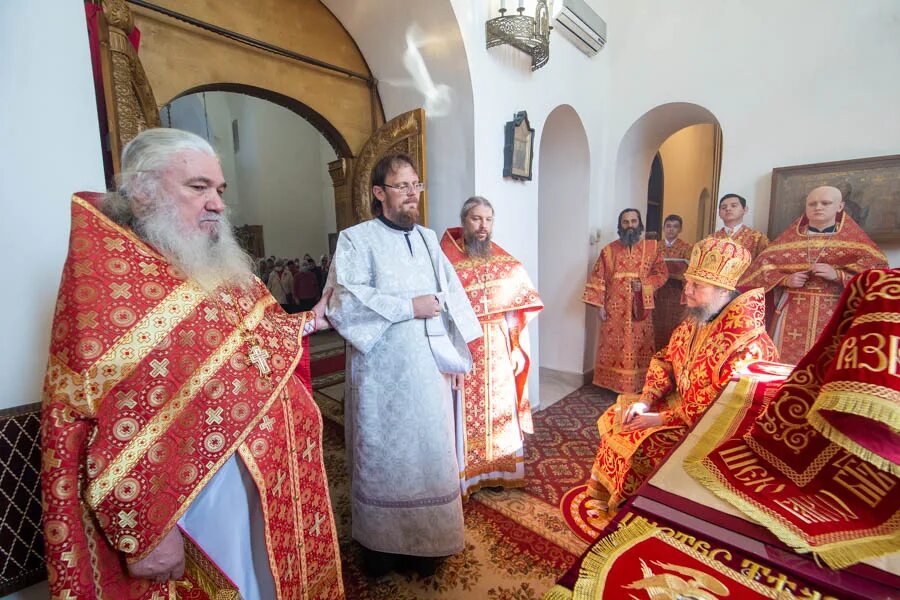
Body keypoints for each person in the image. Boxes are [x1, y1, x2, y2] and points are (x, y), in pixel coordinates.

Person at [40, 128, 343, 599]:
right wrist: (143, 530)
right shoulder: (106, 289)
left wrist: (310, 319)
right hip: (191, 507)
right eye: (198, 187)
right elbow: (85, 419)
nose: (217, 203)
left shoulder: (218, 267)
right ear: (142, 191)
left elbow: (256, 338)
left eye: (219, 189)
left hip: (267, 487)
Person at [326, 153, 481, 577]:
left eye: (417, 184)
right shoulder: (356, 240)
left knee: (429, 451)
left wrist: (455, 345)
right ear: (379, 193)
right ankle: (381, 547)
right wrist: (407, 306)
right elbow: (343, 300)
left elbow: (449, 293)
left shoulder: (430, 239)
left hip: (427, 368)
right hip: (382, 372)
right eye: (402, 186)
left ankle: (428, 546)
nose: (413, 193)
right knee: (385, 456)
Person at [586, 237, 778, 512]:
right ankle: (606, 496)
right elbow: (665, 359)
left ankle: (636, 512)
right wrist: (646, 401)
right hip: (679, 407)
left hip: (711, 432)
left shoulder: (747, 344)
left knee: (641, 444)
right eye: (688, 282)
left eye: (696, 286)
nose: (685, 290)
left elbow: (724, 410)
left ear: (723, 291)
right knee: (617, 417)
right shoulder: (699, 319)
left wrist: (660, 418)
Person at [440, 197, 543, 498]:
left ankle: (500, 470)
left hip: (497, 347)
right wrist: (451, 357)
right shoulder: (447, 259)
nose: (483, 226)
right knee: (464, 414)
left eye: (488, 220)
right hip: (465, 348)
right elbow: (443, 315)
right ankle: (469, 477)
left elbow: (514, 309)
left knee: (500, 411)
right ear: (464, 221)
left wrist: (515, 347)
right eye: (476, 219)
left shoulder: (501, 260)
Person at [739, 185, 887, 364]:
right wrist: (785, 279)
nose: (818, 207)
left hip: (834, 310)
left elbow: (877, 277)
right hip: (793, 309)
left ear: (840, 207)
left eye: (825, 203)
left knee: (826, 364)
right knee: (784, 364)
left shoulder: (856, 242)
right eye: (812, 204)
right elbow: (758, 271)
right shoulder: (788, 240)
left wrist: (838, 276)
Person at [583, 208, 667, 393]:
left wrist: (645, 284)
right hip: (614, 308)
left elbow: (661, 273)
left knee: (640, 344)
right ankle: (612, 383)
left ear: (640, 224)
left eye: (633, 221)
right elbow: (598, 277)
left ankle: (639, 383)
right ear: (620, 225)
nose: (630, 225)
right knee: (614, 344)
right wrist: (599, 305)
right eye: (626, 222)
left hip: (640, 307)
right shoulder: (608, 250)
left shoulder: (652, 248)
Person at [654, 214, 693, 349]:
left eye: (675, 226)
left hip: (676, 291)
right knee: (657, 322)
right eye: (668, 226)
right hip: (658, 292)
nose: (671, 230)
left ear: (680, 229)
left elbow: (689, 269)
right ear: (664, 228)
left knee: (674, 323)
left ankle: (672, 352)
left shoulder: (687, 248)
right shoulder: (655, 246)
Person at [713, 193, 769, 259]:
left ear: (745, 210)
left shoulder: (758, 238)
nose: (728, 209)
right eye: (724, 207)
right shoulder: (711, 239)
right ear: (719, 213)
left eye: (733, 206)